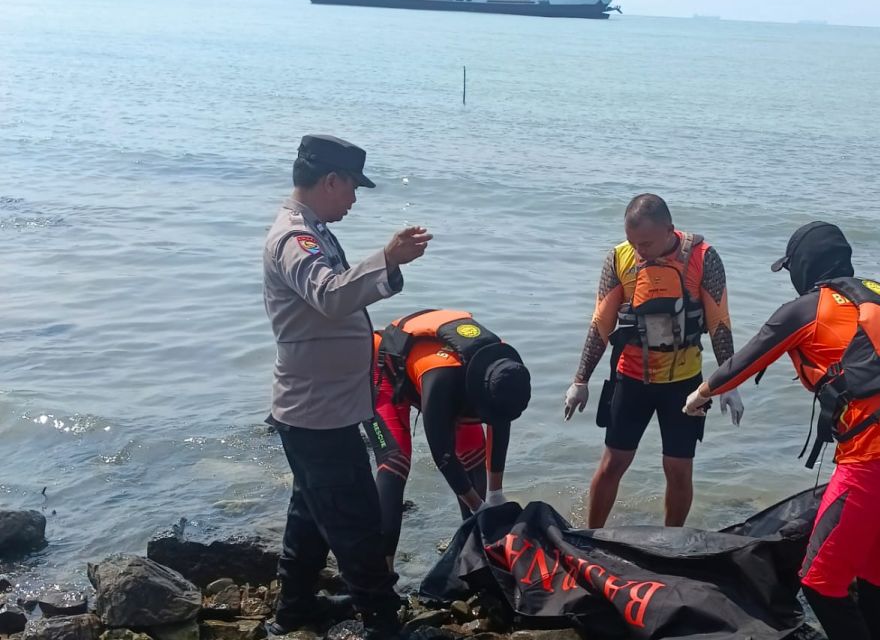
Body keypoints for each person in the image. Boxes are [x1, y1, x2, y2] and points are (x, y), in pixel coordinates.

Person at [683, 221, 880, 640]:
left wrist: (701, 394)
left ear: (804, 265)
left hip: (872, 460)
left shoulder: (810, 307)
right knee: (877, 573)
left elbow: (745, 360)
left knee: (820, 581)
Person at [262, 134, 432, 639]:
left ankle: (295, 608)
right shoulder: (296, 239)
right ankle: (382, 622)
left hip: (321, 406)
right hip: (317, 412)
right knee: (356, 520)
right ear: (330, 180)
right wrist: (388, 257)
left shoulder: (312, 230)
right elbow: (332, 297)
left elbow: (333, 303)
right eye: (352, 187)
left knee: (311, 511)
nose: (355, 198)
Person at [563, 193, 744, 528]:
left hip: (686, 384)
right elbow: (601, 323)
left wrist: (727, 383)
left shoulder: (704, 258)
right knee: (613, 462)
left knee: (678, 468)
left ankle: (671, 541)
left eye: (645, 243)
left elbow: (719, 323)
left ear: (669, 231)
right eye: (633, 241)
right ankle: (591, 536)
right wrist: (580, 381)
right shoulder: (619, 258)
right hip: (631, 377)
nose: (638, 250)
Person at [367, 309, 532, 566]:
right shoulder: (441, 380)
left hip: (458, 375)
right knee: (395, 463)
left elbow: (500, 424)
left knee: (474, 460)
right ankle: (381, 571)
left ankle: (475, 553)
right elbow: (442, 455)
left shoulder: (504, 370)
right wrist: (478, 506)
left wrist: (495, 494)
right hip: (387, 369)